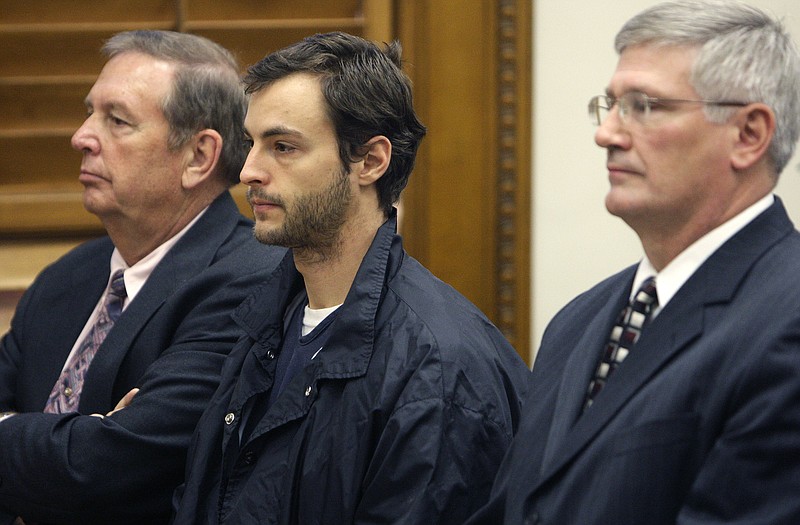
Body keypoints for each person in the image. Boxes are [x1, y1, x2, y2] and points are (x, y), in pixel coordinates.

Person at [171, 31, 531, 525]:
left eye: (283, 147)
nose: (249, 171)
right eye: (251, 144)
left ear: (370, 161)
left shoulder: (440, 368)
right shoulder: (267, 320)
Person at [466, 1, 800, 524]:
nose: (608, 134)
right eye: (611, 105)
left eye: (644, 106)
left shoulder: (786, 319)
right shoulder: (576, 323)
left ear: (748, 135)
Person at [0, 30, 285, 524]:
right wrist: (78, 434)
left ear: (198, 157)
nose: (81, 136)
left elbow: (98, 468)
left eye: (117, 121)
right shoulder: (70, 275)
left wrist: (79, 445)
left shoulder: (251, 280)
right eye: (90, 112)